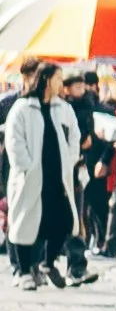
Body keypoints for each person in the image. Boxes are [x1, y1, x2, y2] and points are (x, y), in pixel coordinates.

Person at [4, 67, 71, 287]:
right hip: (30, 177)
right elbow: (14, 141)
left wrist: (70, 160)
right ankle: (23, 272)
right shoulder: (23, 107)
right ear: (47, 80)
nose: (61, 84)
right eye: (58, 79)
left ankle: (47, 261)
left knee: (63, 221)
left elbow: (72, 135)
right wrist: (26, 166)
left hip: (54, 177)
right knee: (24, 222)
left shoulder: (60, 108)